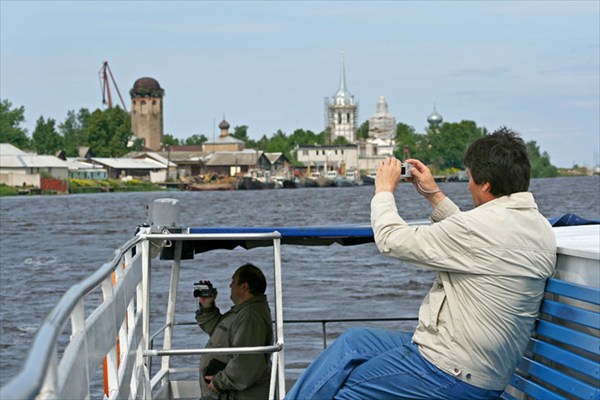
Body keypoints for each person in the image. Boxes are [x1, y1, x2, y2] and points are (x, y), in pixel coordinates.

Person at [286, 128, 557, 400]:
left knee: (344, 392)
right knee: (353, 343)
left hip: (452, 372)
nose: (468, 185)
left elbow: (391, 239)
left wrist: (383, 191)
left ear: (485, 185)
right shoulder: (538, 226)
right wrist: (433, 194)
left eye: (471, 178)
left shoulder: (478, 230)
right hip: (473, 363)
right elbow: (475, 239)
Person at [196, 263, 274, 400]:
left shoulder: (250, 316)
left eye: (233, 281)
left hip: (235, 395)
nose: (230, 286)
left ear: (244, 286)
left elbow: (247, 362)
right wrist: (207, 306)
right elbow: (219, 332)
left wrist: (219, 382)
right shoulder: (243, 312)